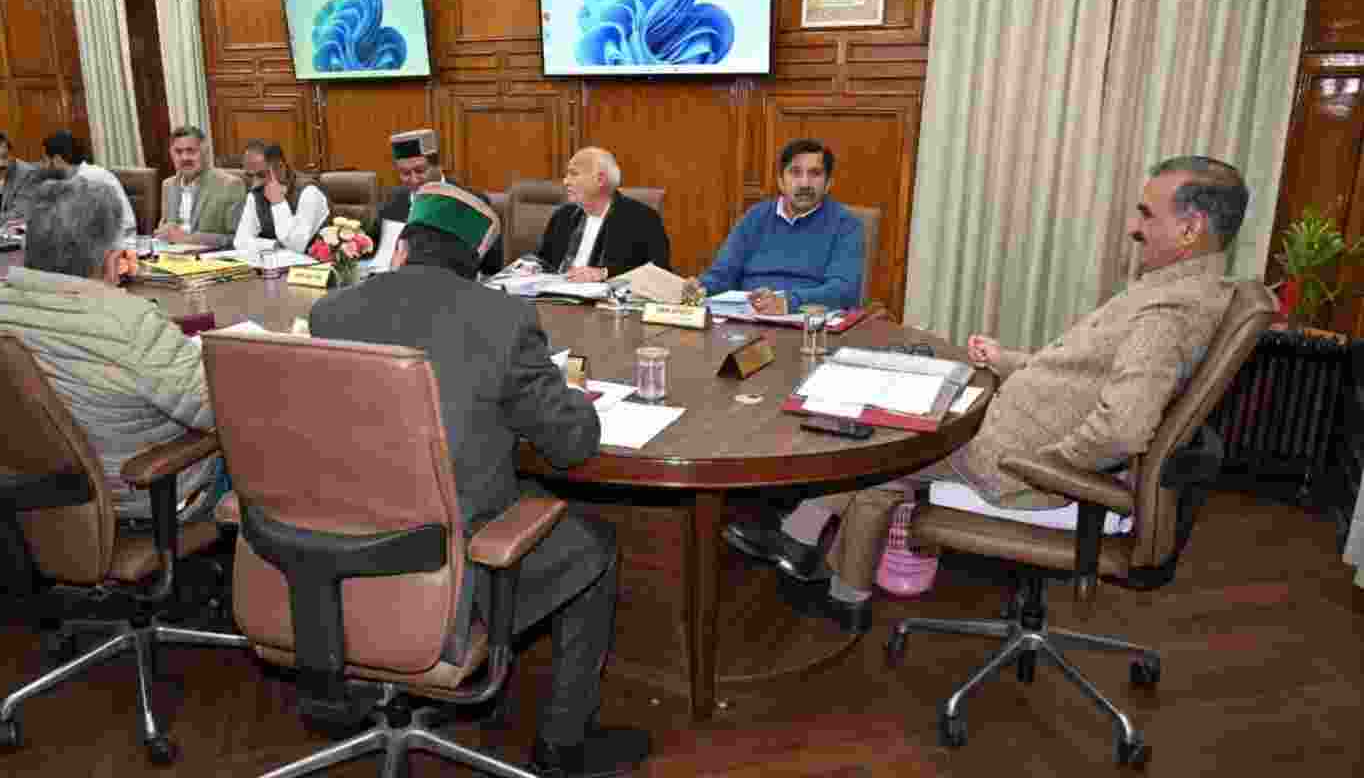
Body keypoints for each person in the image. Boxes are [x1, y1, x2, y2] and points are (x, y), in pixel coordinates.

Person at [725, 156, 1250, 632]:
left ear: (1189, 228)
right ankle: (820, 565)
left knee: (880, 454)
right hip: (1020, 427)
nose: (1135, 227)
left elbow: (1125, 426)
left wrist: (1046, 464)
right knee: (897, 423)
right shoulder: (1187, 289)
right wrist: (1010, 362)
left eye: (1147, 214)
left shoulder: (1169, 312)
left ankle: (830, 580)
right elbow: (1089, 373)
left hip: (1027, 460)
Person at [309, 183, 650, 778]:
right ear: (476, 264)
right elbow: (572, 445)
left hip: (335, 556)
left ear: (402, 248)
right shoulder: (503, 318)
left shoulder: (330, 311)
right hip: (452, 566)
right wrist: (568, 394)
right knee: (592, 544)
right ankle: (564, 742)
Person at [0, 178, 220, 526]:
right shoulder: (129, 323)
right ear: (112, 262)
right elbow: (221, 412)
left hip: (13, 494)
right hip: (137, 499)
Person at [692, 139, 863, 312]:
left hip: (807, 325)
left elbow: (843, 291)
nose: (805, 183)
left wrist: (788, 303)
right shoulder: (756, 216)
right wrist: (700, 288)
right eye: (795, 173)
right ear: (780, 181)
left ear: (828, 184)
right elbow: (723, 274)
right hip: (747, 318)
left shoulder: (845, 224)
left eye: (815, 173)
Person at [371, 128, 504, 275]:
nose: (414, 179)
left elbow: (492, 266)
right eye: (405, 173)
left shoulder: (471, 201)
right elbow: (373, 251)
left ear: (439, 166)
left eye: (420, 171)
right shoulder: (392, 203)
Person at [534, 147, 671, 282]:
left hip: (602, 301)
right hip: (553, 298)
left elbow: (659, 273)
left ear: (600, 179)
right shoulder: (562, 216)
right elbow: (543, 262)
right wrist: (531, 268)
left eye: (574, 174)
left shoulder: (642, 219)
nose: (565, 181)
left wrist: (604, 273)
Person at [155, 125, 245, 249]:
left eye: (191, 151)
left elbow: (238, 238)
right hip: (171, 257)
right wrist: (163, 232)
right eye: (178, 152)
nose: (184, 157)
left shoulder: (230, 185)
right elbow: (165, 228)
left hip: (209, 261)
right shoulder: (168, 185)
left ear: (205, 152)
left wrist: (188, 239)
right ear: (171, 154)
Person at [233, 142, 331, 253]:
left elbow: (296, 245)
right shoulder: (256, 192)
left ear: (280, 167)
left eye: (261, 175)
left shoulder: (309, 192)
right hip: (273, 265)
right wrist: (274, 245)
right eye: (249, 176)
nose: (254, 183)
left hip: (314, 266)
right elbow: (240, 241)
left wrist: (278, 204)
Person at [42, 130, 137, 234]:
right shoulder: (73, 179)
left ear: (57, 160)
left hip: (120, 240)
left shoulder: (89, 179)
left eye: (45, 160)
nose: (44, 166)